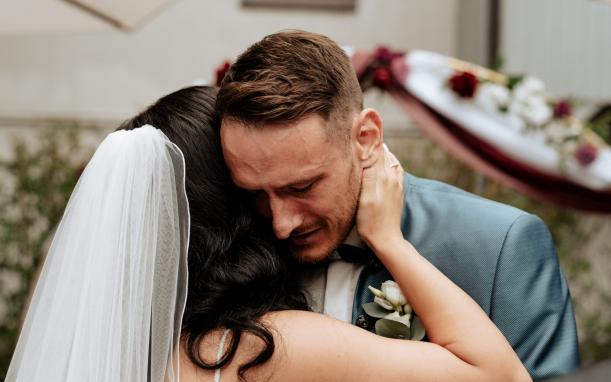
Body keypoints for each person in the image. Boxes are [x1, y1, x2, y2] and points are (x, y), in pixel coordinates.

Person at [6, 86, 530, 381]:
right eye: (255, 188)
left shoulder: (98, 349)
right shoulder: (263, 348)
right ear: (230, 208)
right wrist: (390, 241)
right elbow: (499, 376)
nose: (278, 216)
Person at [216, 30, 580, 379]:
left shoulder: (499, 245)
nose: (282, 223)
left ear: (366, 138)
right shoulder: (230, 244)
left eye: (303, 186)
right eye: (255, 193)